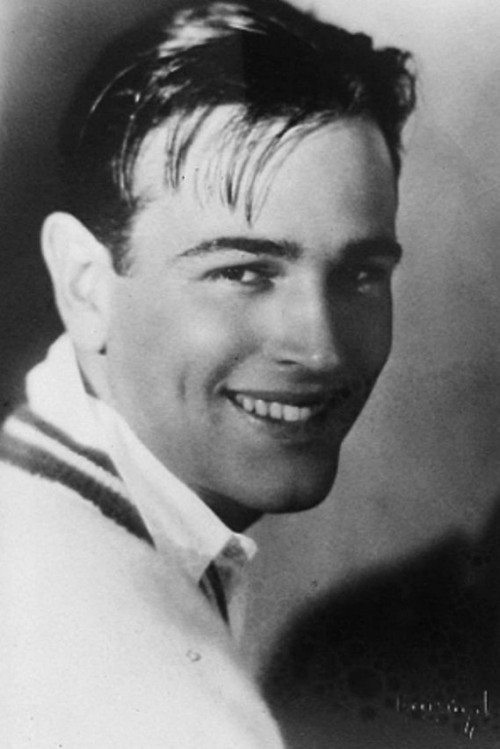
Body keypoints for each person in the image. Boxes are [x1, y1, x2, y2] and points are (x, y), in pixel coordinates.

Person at [0, 0, 415, 746]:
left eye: (360, 274)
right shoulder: (134, 676)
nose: (320, 349)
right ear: (85, 284)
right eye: (244, 272)